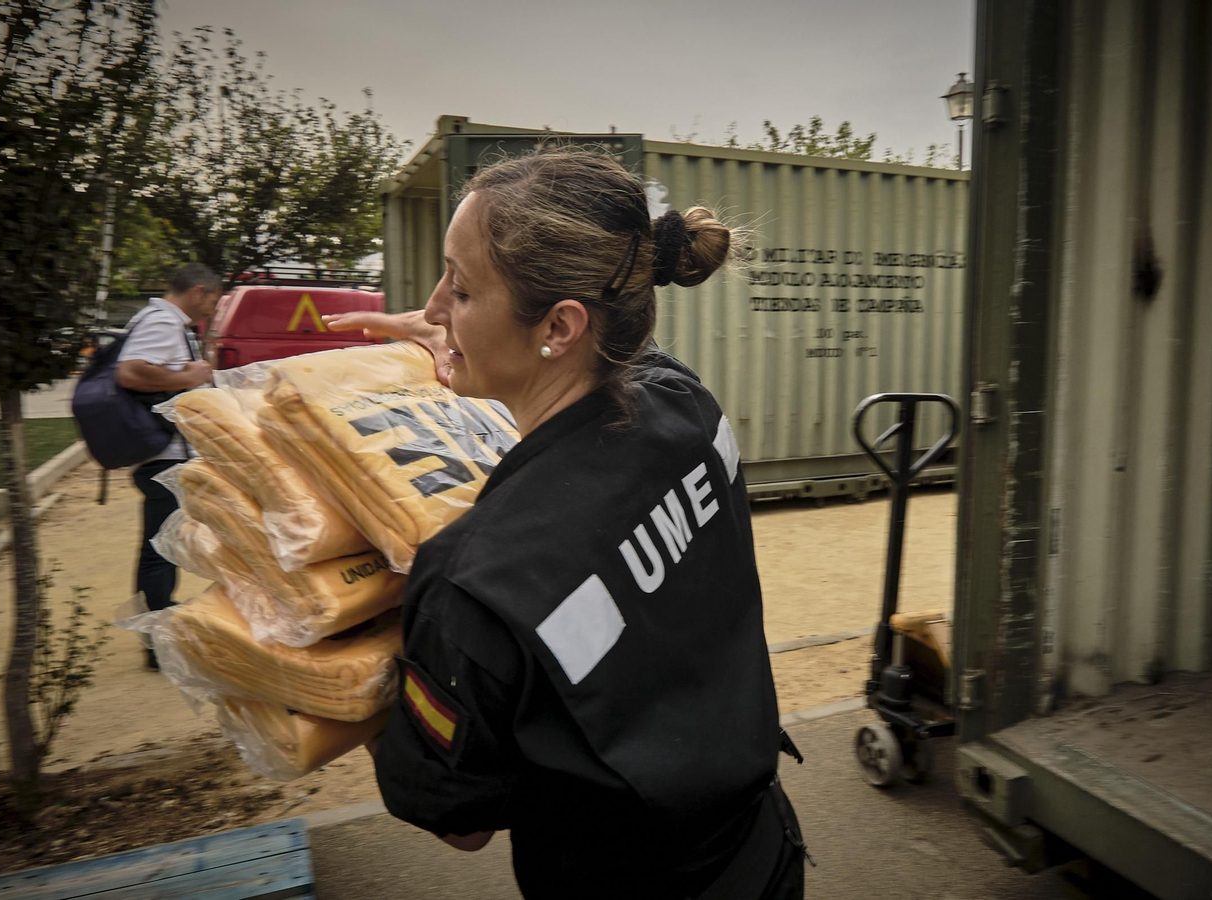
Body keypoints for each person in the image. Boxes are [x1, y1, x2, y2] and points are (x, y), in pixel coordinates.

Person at [329, 148, 807, 898]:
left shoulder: (469, 584)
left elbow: (463, 824)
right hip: (759, 852)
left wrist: (335, 654)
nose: (430, 308)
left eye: (458, 285)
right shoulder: (685, 405)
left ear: (559, 325)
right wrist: (460, 331)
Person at [115, 263, 220, 667]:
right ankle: (158, 642)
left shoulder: (160, 319)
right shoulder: (162, 321)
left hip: (164, 453)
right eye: (211, 299)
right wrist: (188, 376)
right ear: (197, 291)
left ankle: (162, 629)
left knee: (164, 547)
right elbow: (130, 371)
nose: (210, 309)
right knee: (160, 549)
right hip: (163, 458)